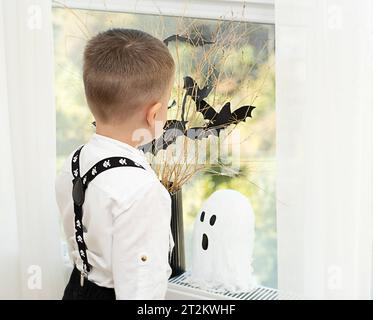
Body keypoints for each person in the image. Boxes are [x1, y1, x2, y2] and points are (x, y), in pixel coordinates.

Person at [55, 28, 175, 300]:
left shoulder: (73, 162)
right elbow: (140, 290)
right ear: (153, 114)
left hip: (76, 289)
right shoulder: (142, 192)